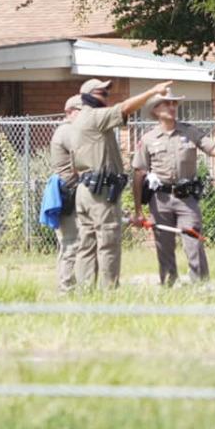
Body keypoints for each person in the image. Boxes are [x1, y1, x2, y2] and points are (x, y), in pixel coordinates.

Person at [71, 78, 173, 290]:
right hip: (100, 192)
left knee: (86, 245)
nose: (107, 97)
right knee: (108, 242)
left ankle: (84, 292)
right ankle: (109, 293)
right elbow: (125, 107)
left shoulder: (80, 120)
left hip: (85, 189)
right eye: (103, 93)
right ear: (90, 96)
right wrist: (153, 91)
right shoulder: (94, 116)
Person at [131, 90, 215, 286]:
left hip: (186, 198)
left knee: (193, 238)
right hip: (160, 199)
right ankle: (168, 284)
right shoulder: (148, 139)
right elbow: (138, 173)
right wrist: (138, 210)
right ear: (156, 110)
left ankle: (200, 285)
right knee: (164, 245)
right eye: (167, 104)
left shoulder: (190, 131)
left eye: (174, 104)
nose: (173, 107)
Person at [48, 94, 83, 292]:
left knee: (73, 241)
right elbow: (83, 158)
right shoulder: (68, 131)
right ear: (70, 112)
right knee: (71, 241)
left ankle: (71, 283)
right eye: (81, 111)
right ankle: (67, 287)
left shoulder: (71, 130)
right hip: (68, 193)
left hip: (72, 192)